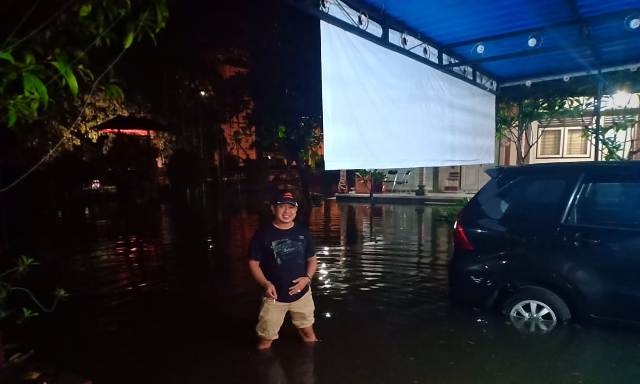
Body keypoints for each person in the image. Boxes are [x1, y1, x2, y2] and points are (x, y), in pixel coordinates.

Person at [248, 190, 319, 350]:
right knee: (265, 341)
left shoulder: (303, 232)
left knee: (309, 335)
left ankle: (309, 369)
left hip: (302, 295)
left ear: (296, 210)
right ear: (273, 209)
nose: (287, 211)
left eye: (291, 207)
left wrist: (307, 279)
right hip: (274, 298)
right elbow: (253, 263)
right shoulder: (263, 234)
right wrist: (266, 284)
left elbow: (312, 260)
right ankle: (263, 371)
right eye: (282, 207)